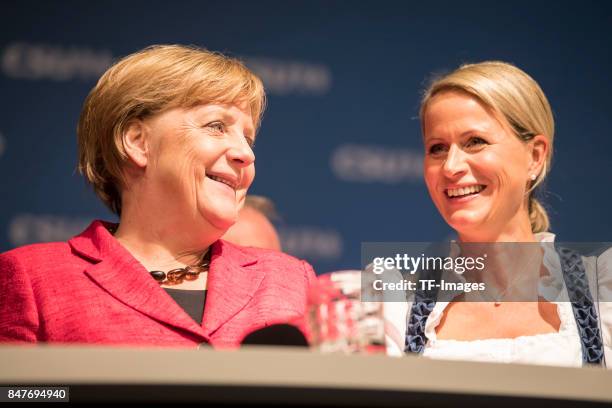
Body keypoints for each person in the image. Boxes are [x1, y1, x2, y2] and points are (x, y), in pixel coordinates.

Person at [0, 45, 316, 348]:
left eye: (248, 138)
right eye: (217, 126)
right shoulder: (32, 278)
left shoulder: (291, 280)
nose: (246, 154)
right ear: (137, 142)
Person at [384, 61, 612, 367]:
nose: (450, 167)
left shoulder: (602, 290)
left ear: (535, 156)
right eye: (437, 148)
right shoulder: (397, 303)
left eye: (475, 142)